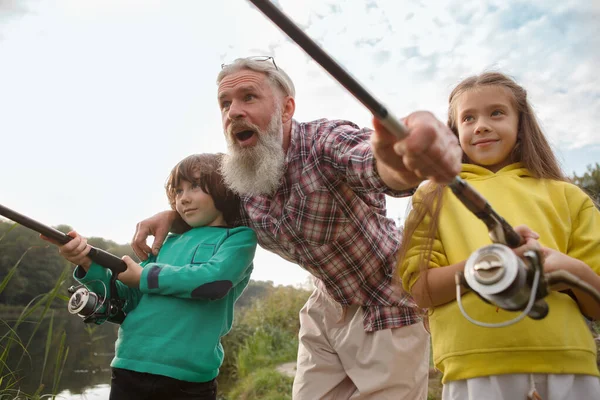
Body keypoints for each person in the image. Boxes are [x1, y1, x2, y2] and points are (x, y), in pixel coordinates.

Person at [132, 56, 463, 399]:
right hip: (326, 306)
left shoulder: (324, 141)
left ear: (286, 108)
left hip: (387, 304)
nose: (233, 112)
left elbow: (375, 164)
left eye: (249, 97)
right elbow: (210, 209)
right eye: (225, 103)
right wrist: (172, 216)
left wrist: (400, 160)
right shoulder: (240, 181)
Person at [397, 72, 600, 400]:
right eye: (468, 118)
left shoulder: (568, 196)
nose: (480, 126)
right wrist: (489, 264)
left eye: (496, 113)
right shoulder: (431, 195)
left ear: (522, 126)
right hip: (473, 373)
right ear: (455, 133)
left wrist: (570, 271)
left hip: (570, 366)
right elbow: (421, 290)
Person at [44, 153, 257, 400]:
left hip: (189, 380)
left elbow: (213, 282)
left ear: (224, 187)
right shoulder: (165, 243)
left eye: (195, 186)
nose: (184, 198)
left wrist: (144, 277)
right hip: (128, 367)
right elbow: (126, 296)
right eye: (178, 191)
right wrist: (86, 262)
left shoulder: (238, 238)